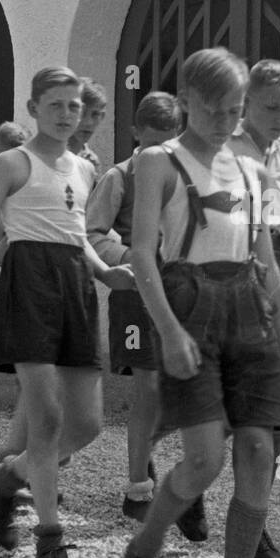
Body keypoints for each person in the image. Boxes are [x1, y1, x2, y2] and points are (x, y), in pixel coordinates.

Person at [107, 47, 280, 558]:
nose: (224, 119)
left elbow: (264, 255)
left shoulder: (250, 170)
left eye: (235, 110)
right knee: (204, 461)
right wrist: (170, 331)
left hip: (249, 310)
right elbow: (141, 255)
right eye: (213, 108)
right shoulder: (158, 162)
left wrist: (278, 333)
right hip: (189, 302)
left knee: (261, 448)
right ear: (186, 99)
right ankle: (145, 549)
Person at [0, 68, 131, 558]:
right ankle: (50, 542)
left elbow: (75, 233)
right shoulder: (10, 163)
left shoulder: (86, 169)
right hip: (27, 286)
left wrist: (105, 271)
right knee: (47, 418)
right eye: (55, 105)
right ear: (33, 107)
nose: (67, 114)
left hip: (74, 286)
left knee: (89, 424)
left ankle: (8, 476)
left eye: (74, 105)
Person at [85, 90, 182, 522]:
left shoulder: (185, 176)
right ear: (134, 133)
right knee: (149, 387)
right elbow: (93, 234)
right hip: (135, 296)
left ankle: (156, 460)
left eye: (170, 140)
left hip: (181, 293)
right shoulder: (118, 177)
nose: (160, 150)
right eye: (152, 140)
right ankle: (137, 486)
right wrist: (129, 257)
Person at [229, 59, 280, 558]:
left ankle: (256, 524)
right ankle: (184, 482)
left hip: (279, 263)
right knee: (226, 404)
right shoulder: (227, 150)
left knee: (275, 405)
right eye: (271, 107)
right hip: (236, 266)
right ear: (246, 104)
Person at [67, 79, 107, 187]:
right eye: (82, 113)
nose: (88, 122)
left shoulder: (92, 161)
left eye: (95, 114)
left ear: (102, 117)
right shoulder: (50, 153)